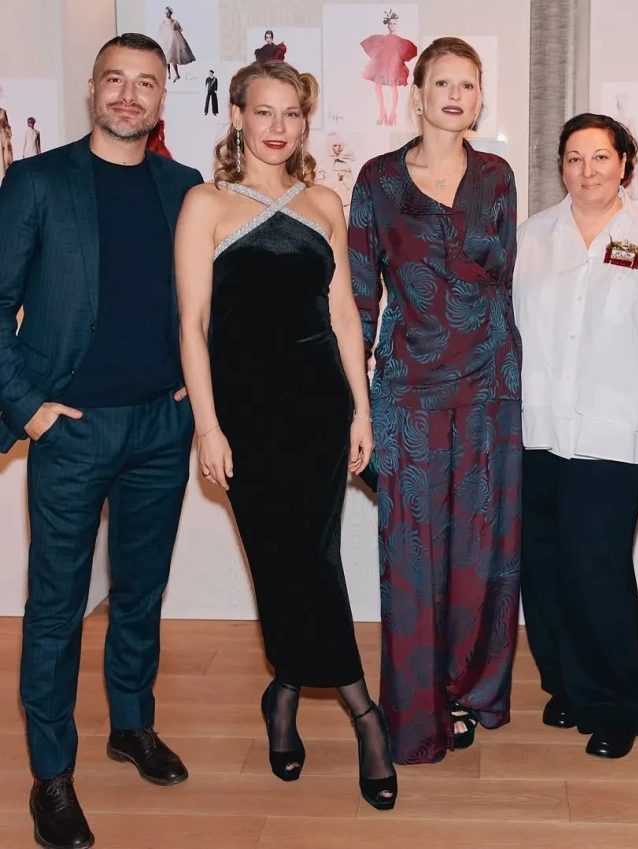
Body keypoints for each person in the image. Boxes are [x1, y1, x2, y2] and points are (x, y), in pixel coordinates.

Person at [175, 60, 397, 811]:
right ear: (237, 116)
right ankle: (360, 712)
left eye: (291, 114)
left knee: (314, 558)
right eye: (263, 112)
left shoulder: (325, 202)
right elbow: (192, 325)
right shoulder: (204, 202)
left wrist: (361, 412)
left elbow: (346, 319)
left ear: (305, 122)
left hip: (319, 409)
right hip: (244, 415)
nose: (278, 127)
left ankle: (293, 695)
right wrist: (208, 426)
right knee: (281, 563)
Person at [0, 33, 202, 849]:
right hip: (71, 429)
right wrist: (29, 408)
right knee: (56, 606)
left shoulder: (184, 187)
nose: (128, 94)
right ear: (92, 89)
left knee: (141, 592)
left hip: (161, 424)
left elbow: (207, 301)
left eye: (145, 82)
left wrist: (196, 380)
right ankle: (51, 775)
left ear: (161, 97)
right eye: (114, 79)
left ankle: (131, 724)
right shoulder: (38, 181)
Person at [349, 37, 521, 765]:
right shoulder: (378, 180)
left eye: (468, 85)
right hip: (408, 392)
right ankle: (414, 711)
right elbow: (360, 295)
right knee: (411, 557)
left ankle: (466, 691)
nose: (455, 96)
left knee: (480, 549)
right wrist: (355, 405)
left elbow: (502, 283)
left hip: (489, 387)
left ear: (480, 98)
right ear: (417, 95)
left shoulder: (497, 176)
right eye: (442, 83)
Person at [514, 113, 638, 761]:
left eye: (601, 157)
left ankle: (616, 704)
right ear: (561, 167)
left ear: (626, 164)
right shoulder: (531, 237)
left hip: (618, 432)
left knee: (597, 566)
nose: (588, 170)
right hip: (535, 429)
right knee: (543, 566)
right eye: (575, 158)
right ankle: (565, 684)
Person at [360, 9, 418, 126]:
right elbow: (377, 51)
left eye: (394, 24)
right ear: (387, 25)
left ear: (397, 25)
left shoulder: (399, 41)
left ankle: (392, 113)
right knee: (377, 87)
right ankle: (382, 112)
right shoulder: (382, 39)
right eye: (390, 24)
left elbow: (406, 52)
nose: (392, 26)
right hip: (382, 64)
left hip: (393, 66)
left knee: (393, 86)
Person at [158, 6, 195, 82]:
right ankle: (169, 74)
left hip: (173, 41)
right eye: (166, 13)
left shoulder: (174, 22)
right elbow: (161, 30)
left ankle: (177, 74)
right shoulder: (163, 22)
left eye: (168, 13)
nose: (167, 14)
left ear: (171, 13)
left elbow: (179, 30)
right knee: (166, 57)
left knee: (172, 57)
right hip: (165, 41)